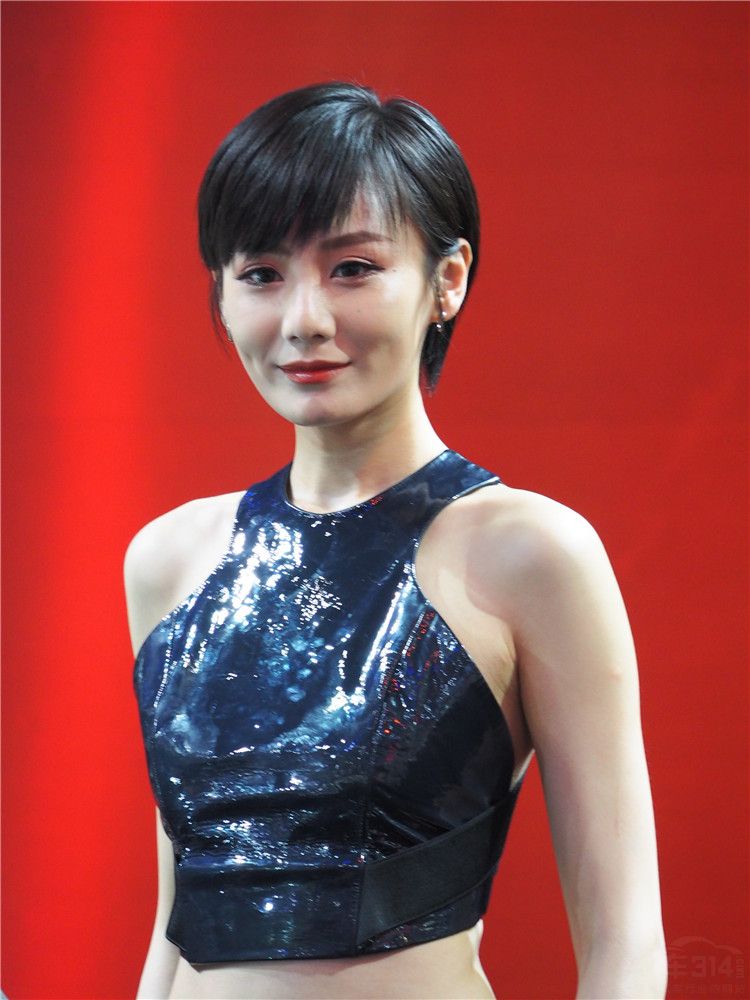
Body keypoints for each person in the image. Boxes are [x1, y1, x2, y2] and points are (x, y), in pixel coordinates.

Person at [124, 82, 667, 1000]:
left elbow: (625, 948)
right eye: (261, 274)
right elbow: (181, 910)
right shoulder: (169, 559)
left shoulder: (530, 551)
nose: (304, 319)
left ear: (447, 280)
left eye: (352, 268)